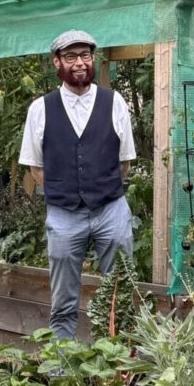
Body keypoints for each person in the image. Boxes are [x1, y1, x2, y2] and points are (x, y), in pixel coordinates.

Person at [18, 29, 138, 339]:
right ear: (57, 62)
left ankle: (117, 365)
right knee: (63, 297)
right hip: (63, 213)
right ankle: (63, 366)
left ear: (93, 59)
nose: (80, 62)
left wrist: (100, 190)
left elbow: (124, 163)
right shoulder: (40, 109)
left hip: (111, 208)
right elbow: (35, 168)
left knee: (120, 292)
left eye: (85, 55)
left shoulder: (114, 102)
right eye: (71, 56)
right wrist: (68, 191)